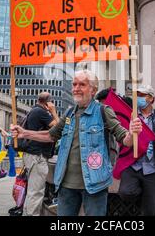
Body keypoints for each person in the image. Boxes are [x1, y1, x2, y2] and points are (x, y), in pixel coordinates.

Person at [11, 70, 142, 216]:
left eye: (82, 84)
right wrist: (24, 133)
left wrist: (131, 133)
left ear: (93, 90)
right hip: (65, 185)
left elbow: (124, 139)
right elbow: (50, 135)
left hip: (94, 184)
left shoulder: (103, 111)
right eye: (74, 84)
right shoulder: (69, 114)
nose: (76, 88)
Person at [118, 85, 155, 216]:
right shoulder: (131, 115)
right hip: (133, 165)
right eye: (137, 96)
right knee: (125, 193)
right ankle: (141, 194)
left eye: (142, 95)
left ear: (151, 98)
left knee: (149, 210)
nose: (138, 98)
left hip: (152, 168)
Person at [14, 92, 59, 216]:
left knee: (33, 191)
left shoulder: (33, 111)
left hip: (31, 155)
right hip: (37, 156)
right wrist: (53, 112)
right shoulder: (41, 112)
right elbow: (59, 128)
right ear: (48, 103)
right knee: (36, 192)